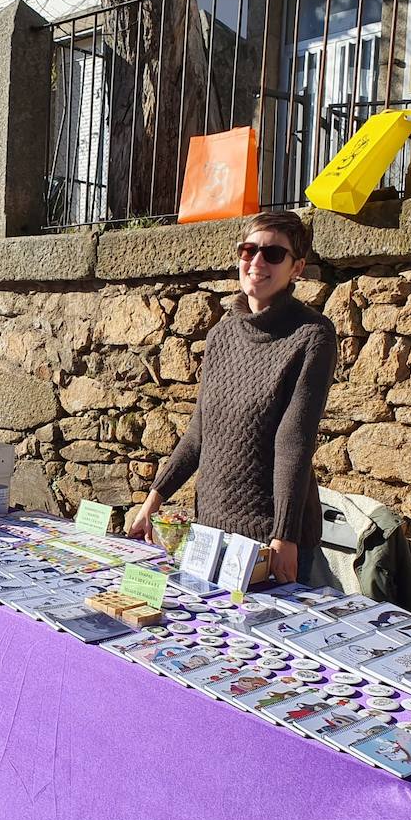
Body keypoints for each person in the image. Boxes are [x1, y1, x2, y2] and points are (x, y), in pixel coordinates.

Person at [132, 211, 336, 582]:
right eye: (248, 250)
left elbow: (294, 441)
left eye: (273, 254)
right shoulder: (221, 336)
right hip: (210, 531)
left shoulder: (312, 335)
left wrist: (284, 536)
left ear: (296, 268)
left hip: (269, 540)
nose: (257, 261)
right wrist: (154, 498)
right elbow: (199, 432)